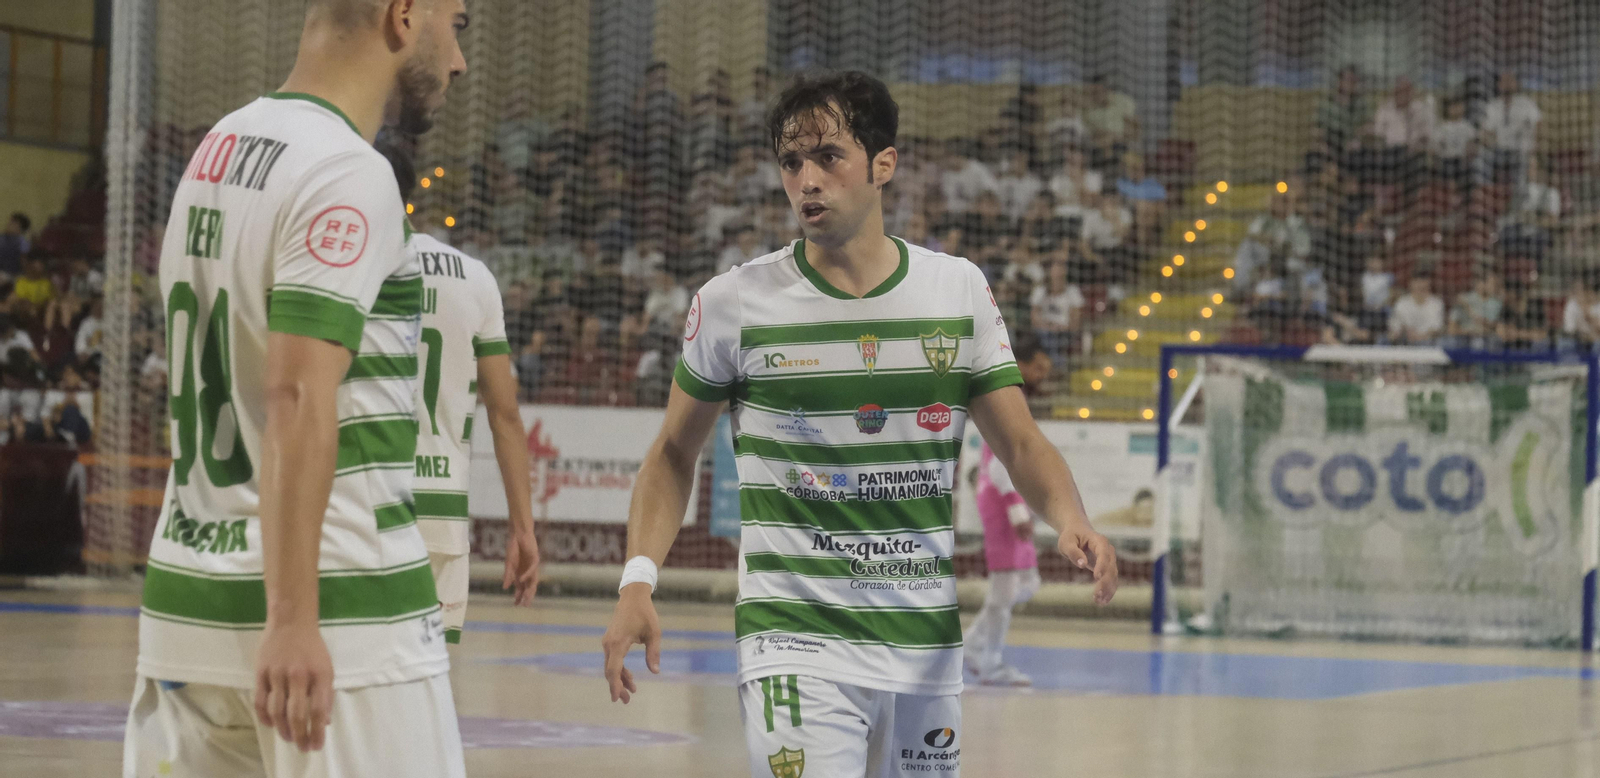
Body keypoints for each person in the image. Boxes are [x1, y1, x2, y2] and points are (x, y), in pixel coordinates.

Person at [600, 70, 1118, 778]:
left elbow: (1021, 442)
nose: (807, 180)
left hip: (923, 648)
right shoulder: (733, 302)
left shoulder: (957, 289)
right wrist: (637, 579)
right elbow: (670, 455)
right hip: (794, 637)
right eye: (791, 163)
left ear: (883, 164)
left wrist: (1071, 517)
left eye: (828, 157)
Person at [124, 2, 470, 776]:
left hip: (189, 608)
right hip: (338, 619)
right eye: (458, 24)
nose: (459, 59)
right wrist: (290, 618)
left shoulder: (218, 146)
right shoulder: (349, 170)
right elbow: (296, 395)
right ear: (403, 15)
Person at [378, 141, 540, 649]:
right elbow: (505, 414)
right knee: (428, 676)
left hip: (363, 505)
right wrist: (523, 528)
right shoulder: (474, 277)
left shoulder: (346, 269)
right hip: (442, 513)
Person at [962, 334, 1052, 687]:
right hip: (1001, 502)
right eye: (1039, 368)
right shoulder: (1006, 396)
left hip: (1008, 499)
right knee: (1005, 589)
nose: (1044, 375)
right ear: (1022, 365)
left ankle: (971, 645)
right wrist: (1016, 510)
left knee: (1027, 582)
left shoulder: (1017, 397)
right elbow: (1000, 462)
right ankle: (989, 662)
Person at [1388, 274, 1445, 345]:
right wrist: (1405, 332)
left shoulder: (1436, 303)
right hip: (1405, 341)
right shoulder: (1402, 303)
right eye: (1418, 285)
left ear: (1429, 285)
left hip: (1429, 342)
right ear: (1411, 285)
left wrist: (1421, 336)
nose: (1420, 288)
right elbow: (1395, 326)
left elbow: (1437, 328)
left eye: (1423, 287)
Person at [0, 213, 30, 278]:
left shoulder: (22, 242)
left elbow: (23, 261)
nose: (8, 224)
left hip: (11, 274)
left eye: (12, 223)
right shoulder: (2, 237)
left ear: (19, 228)